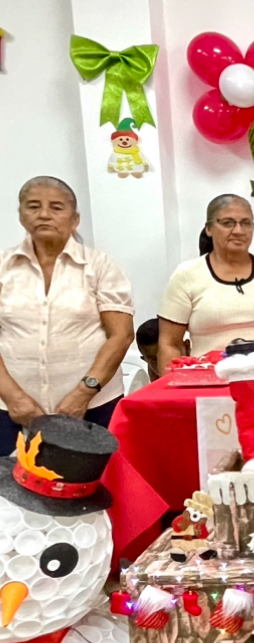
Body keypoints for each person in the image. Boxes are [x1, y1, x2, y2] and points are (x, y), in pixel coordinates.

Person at [0, 177, 134, 453]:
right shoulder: (4, 267)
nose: (44, 214)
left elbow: (121, 335)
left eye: (56, 207)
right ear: (21, 215)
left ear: (75, 219)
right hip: (12, 410)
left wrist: (84, 392)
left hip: (93, 405)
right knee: (13, 479)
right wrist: (13, 397)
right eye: (33, 206)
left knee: (98, 477)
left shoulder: (99, 266)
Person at [158, 194, 254, 367]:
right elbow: (169, 344)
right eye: (228, 223)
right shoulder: (186, 275)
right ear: (209, 229)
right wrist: (172, 384)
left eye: (246, 223)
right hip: (207, 377)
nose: (238, 231)